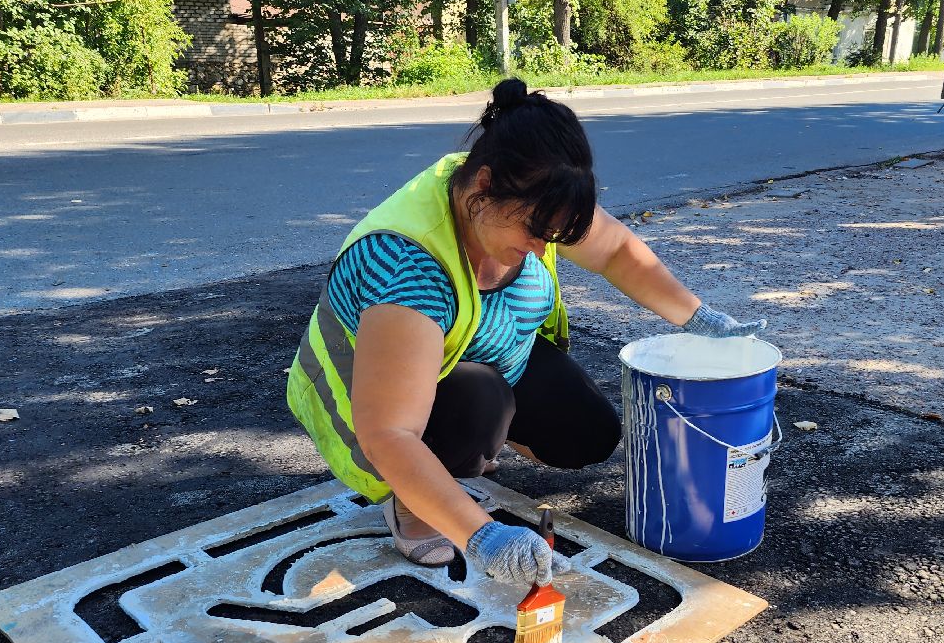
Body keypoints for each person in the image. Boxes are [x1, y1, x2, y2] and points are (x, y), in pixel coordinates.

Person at [287, 78, 761, 587]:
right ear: (484, 189)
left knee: (588, 435)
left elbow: (617, 251)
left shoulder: (518, 191)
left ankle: (468, 450)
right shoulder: (410, 268)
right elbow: (389, 433)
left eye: (554, 236)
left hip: (484, 354)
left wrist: (698, 317)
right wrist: (483, 535)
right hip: (375, 409)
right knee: (478, 400)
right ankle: (414, 503)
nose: (542, 249)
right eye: (535, 232)